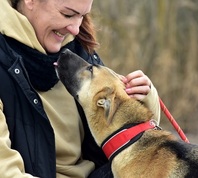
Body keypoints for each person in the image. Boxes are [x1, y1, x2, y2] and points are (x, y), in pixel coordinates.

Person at [0, 0, 161, 177]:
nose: (76, 29)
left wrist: (144, 97)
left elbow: (136, 145)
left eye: (82, 16)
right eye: (68, 14)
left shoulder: (76, 49)